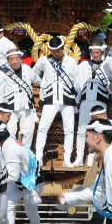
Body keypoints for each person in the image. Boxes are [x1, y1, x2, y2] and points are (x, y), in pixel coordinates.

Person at [0, 121, 43, 224]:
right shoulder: (10, 141)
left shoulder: (10, 149)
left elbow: (12, 176)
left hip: (32, 182)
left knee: (31, 212)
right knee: (7, 206)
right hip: (18, 181)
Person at [34, 36, 78, 166]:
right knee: (43, 128)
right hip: (50, 98)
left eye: (58, 51)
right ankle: (38, 158)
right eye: (53, 51)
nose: (56, 53)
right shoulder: (44, 61)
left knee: (69, 130)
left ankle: (67, 159)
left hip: (68, 99)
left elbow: (77, 81)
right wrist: (43, 85)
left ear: (63, 48)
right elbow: (34, 74)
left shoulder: (71, 62)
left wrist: (77, 99)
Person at [74, 40, 112, 167]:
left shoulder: (108, 65)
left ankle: (92, 158)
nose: (95, 55)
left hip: (100, 101)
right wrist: (77, 100)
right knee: (81, 130)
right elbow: (78, 84)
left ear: (102, 52)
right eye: (93, 52)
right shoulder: (83, 65)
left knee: (98, 129)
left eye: (98, 52)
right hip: (86, 101)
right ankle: (79, 157)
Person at [0, 49, 40, 149]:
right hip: (10, 109)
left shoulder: (27, 68)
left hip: (27, 107)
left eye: (17, 58)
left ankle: (25, 153)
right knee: (10, 132)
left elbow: (36, 79)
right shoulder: (4, 72)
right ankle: (11, 152)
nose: (15, 62)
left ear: (21, 59)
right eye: (11, 59)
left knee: (28, 132)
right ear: (8, 61)